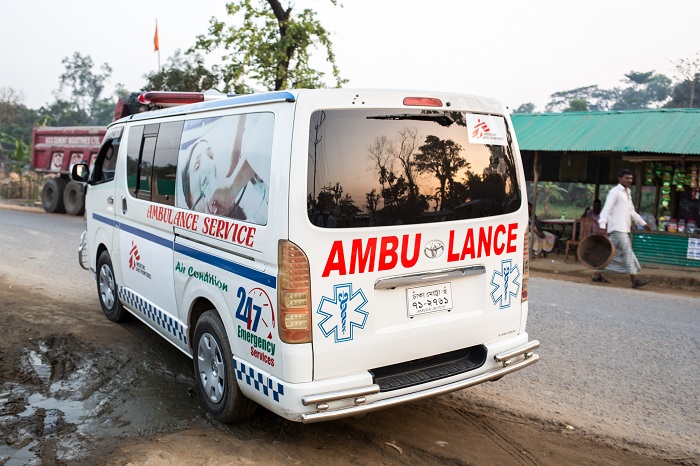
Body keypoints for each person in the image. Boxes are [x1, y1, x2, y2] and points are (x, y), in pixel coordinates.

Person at [592, 169, 652, 288]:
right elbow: (606, 209)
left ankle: (596, 274)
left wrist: (643, 223)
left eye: (631, 178)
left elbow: (631, 211)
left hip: (623, 228)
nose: (629, 180)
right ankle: (634, 280)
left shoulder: (627, 193)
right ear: (620, 179)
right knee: (626, 253)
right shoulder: (614, 192)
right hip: (617, 228)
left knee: (609, 253)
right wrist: (602, 225)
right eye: (626, 178)